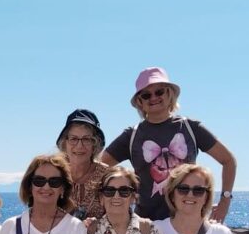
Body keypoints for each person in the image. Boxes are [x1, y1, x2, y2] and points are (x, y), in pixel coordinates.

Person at [100, 67, 238, 223]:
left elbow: (228, 160)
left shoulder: (191, 128)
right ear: (140, 102)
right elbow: (98, 167)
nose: (153, 98)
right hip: (147, 227)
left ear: (169, 94)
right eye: (146, 95)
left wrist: (225, 201)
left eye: (159, 92)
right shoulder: (131, 136)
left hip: (188, 224)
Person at [55, 109, 109, 226]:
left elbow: (123, 218)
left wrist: (99, 227)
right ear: (65, 143)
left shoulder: (107, 176)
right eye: (73, 139)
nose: (79, 146)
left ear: (95, 144)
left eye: (86, 139)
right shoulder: (54, 174)